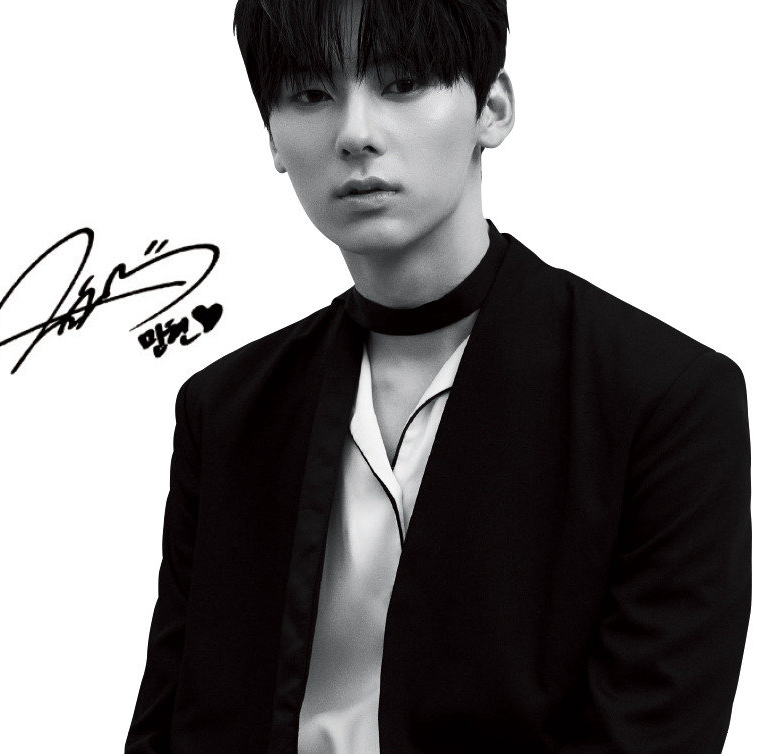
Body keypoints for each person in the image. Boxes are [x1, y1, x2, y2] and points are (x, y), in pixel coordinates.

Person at [125, 1, 752, 751]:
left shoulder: (663, 399)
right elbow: (166, 721)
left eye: (402, 83)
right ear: (272, 137)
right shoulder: (225, 411)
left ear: (493, 108)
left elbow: (653, 731)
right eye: (312, 94)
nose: (355, 133)